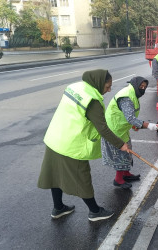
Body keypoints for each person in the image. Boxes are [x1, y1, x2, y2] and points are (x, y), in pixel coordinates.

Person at [37, 69, 129, 222]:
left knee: (55, 174)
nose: (109, 90)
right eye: (107, 87)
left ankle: (58, 208)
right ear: (99, 83)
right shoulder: (92, 100)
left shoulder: (77, 87)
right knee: (82, 177)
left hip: (55, 137)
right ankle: (94, 211)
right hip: (71, 144)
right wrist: (121, 145)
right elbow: (103, 128)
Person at [102, 76, 158, 189]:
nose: (142, 88)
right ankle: (118, 179)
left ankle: (126, 174)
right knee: (121, 152)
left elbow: (129, 117)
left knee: (128, 150)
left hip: (121, 127)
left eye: (144, 87)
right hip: (114, 128)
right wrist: (149, 125)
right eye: (141, 86)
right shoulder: (126, 97)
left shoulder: (132, 93)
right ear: (135, 85)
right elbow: (130, 118)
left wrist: (134, 124)